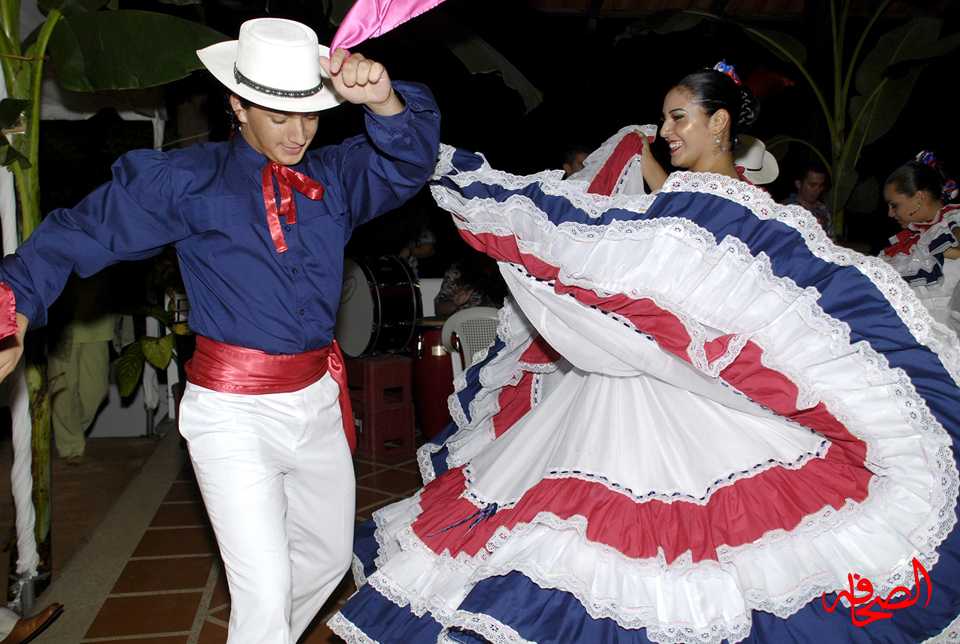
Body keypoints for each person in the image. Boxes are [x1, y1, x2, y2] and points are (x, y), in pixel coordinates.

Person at [329, 62, 960, 643]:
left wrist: (470, 181)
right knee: (580, 530)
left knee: (677, 545)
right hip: (633, 385)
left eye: (678, 117)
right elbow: (627, 237)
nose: (665, 131)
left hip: (700, 400)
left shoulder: (739, 214)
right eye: (663, 119)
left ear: (719, 123)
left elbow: (764, 302)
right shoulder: (684, 207)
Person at [0, 17, 440, 644]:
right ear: (237, 104)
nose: (299, 133)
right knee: (264, 593)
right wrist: (12, 303)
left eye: (310, 115)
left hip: (318, 400)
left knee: (324, 561)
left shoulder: (336, 178)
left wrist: (385, 100)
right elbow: (82, 229)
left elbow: (411, 159)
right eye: (280, 117)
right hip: (234, 413)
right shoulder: (187, 180)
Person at [881, 150, 960, 332]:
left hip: (947, 335)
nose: (890, 213)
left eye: (894, 205)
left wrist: (946, 252)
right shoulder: (914, 238)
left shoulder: (952, 221)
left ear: (919, 197)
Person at [433, 248, 506, 317]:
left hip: (496, 322)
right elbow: (438, 309)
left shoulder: (505, 273)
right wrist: (455, 303)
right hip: (463, 322)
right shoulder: (457, 274)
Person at [784, 162, 833, 238]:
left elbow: (831, 238)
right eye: (812, 185)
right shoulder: (787, 209)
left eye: (820, 186)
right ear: (798, 184)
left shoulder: (823, 209)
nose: (817, 190)